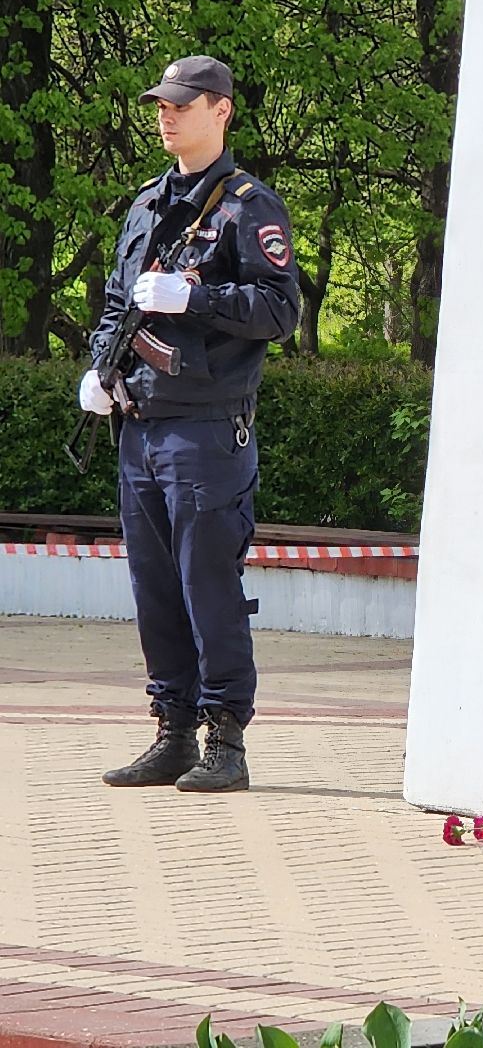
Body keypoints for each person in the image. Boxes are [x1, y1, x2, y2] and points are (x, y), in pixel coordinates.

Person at [80, 55, 300, 793]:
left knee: (208, 584)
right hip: (141, 427)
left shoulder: (248, 206)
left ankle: (226, 741)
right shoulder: (145, 206)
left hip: (207, 430)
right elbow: (119, 301)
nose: (167, 115)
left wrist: (196, 300)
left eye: (183, 104)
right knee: (154, 589)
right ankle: (172, 732)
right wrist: (100, 369)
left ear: (222, 111)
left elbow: (279, 310)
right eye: (162, 105)